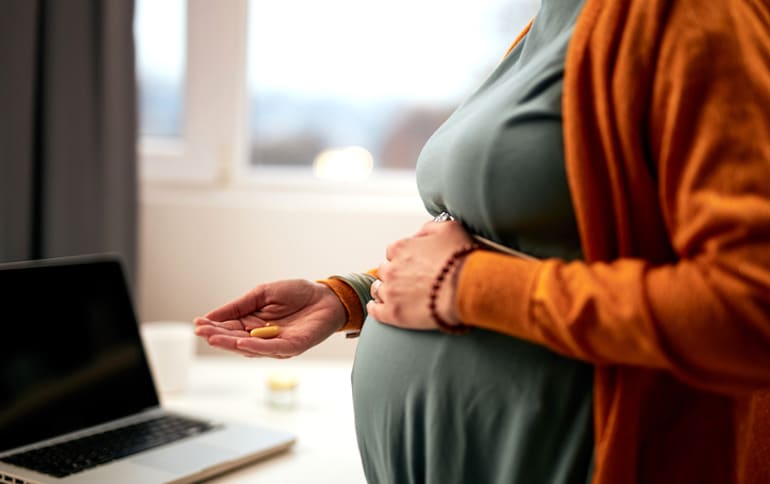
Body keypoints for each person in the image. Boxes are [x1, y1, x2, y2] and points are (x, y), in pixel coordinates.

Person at [194, 0, 770, 482]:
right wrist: (355, 296)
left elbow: (748, 307)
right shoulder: (553, 20)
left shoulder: (697, 13)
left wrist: (464, 286)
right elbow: (530, 243)